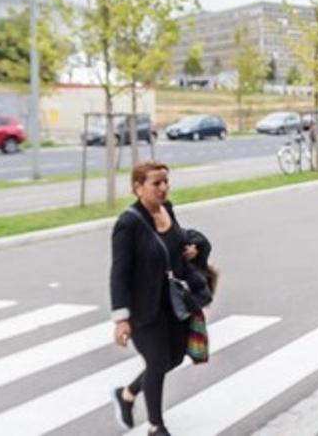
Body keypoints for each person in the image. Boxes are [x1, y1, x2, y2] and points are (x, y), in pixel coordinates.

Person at [109, 161, 197, 435]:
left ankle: (127, 393)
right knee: (158, 362)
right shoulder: (128, 223)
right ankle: (155, 425)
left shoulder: (167, 210)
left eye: (165, 182)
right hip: (144, 308)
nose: (163, 188)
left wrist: (190, 251)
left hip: (172, 301)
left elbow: (176, 244)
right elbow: (119, 272)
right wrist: (121, 318)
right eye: (155, 183)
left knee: (175, 357)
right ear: (138, 188)